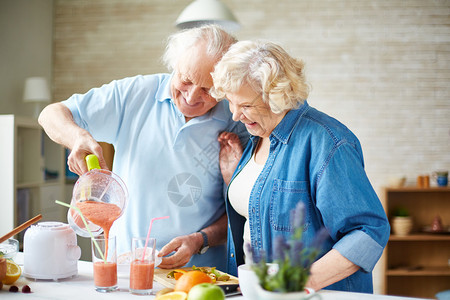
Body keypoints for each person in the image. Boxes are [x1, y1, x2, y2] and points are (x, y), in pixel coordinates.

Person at [38, 25, 248, 270]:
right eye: (186, 80)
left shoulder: (238, 120)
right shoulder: (135, 94)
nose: (191, 98)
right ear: (174, 64)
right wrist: (77, 137)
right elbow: (50, 114)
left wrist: (199, 239)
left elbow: (241, 210)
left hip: (200, 274)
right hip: (128, 268)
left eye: (208, 89)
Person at [211, 40, 390, 292]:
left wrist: (301, 283)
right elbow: (262, 206)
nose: (235, 116)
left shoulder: (328, 142)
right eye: (231, 102)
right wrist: (234, 179)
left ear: (277, 95)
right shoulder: (256, 136)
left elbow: (368, 231)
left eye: (246, 105)